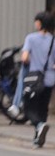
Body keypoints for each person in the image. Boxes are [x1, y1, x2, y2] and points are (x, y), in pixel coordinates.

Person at [20, 11, 55, 148]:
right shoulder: (53, 40)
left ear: (39, 23)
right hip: (50, 79)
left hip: (35, 78)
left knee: (28, 107)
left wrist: (30, 61)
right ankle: (37, 138)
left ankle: (39, 125)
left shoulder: (31, 38)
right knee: (42, 108)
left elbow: (24, 57)